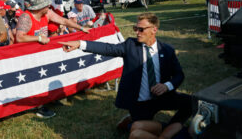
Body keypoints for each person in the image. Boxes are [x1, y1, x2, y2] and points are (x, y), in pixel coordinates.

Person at [59, 13, 192, 139]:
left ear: (154, 29)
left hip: (162, 96)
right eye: (135, 28)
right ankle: (131, 121)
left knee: (191, 102)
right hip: (141, 102)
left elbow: (179, 75)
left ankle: (170, 128)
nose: (137, 32)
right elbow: (107, 48)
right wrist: (79, 44)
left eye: (141, 29)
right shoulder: (130, 45)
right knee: (136, 129)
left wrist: (167, 86)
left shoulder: (166, 50)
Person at [15, 0, 89, 118]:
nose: (49, 6)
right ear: (39, 7)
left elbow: (64, 20)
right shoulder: (25, 17)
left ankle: (50, 98)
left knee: (47, 75)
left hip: (42, 52)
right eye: (46, 5)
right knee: (35, 79)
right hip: (28, 55)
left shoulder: (47, 13)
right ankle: (39, 106)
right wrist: (38, 38)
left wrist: (81, 28)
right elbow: (19, 37)